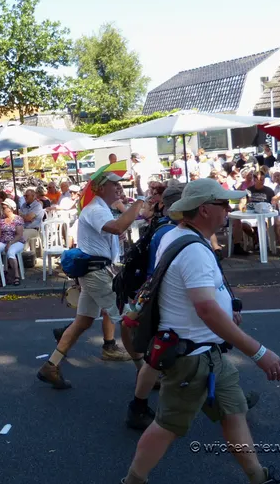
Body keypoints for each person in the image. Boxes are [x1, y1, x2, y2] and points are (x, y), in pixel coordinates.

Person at [119, 179, 280, 484]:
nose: (228, 210)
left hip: (205, 352)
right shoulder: (194, 250)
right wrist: (259, 353)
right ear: (205, 209)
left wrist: (225, 307)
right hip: (191, 357)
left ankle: (259, 478)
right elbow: (206, 309)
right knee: (166, 425)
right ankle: (132, 480)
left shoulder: (178, 236)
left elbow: (200, 299)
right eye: (223, 205)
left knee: (233, 412)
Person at [37, 170, 146, 389]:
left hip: (93, 272)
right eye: (114, 184)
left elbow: (112, 231)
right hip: (98, 274)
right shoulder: (96, 209)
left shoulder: (101, 209)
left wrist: (117, 233)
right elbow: (116, 227)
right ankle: (145, 373)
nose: (119, 188)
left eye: (119, 184)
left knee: (83, 321)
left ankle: (51, 365)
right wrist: (140, 202)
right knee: (128, 320)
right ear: (99, 188)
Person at [123, 184, 183, 430]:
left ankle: (139, 407)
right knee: (162, 354)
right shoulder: (171, 231)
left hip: (155, 294)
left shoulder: (160, 227)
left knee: (158, 354)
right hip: (166, 297)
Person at [0, 199, 25, 286]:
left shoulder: (18, 219)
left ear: (10, 208)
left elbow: (19, 235)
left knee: (10, 252)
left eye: (4, 207)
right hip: (3, 241)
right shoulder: (1, 220)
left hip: (17, 241)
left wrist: (10, 243)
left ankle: (16, 275)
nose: (2, 209)